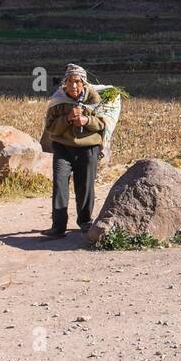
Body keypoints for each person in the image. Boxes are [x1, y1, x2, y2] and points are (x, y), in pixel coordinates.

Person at [40, 63, 106, 239]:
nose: (73, 85)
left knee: (85, 186)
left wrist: (86, 121)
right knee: (60, 184)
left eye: (77, 81)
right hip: (63, 148)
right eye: (70, 81)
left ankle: (85, 222)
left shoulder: (94, 99)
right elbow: (51, 128)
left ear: (84, 83)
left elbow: (103, 123)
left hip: (88, 148)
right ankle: (58, 227)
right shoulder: (58, 101)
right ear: (64, 83)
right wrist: (67, 119)